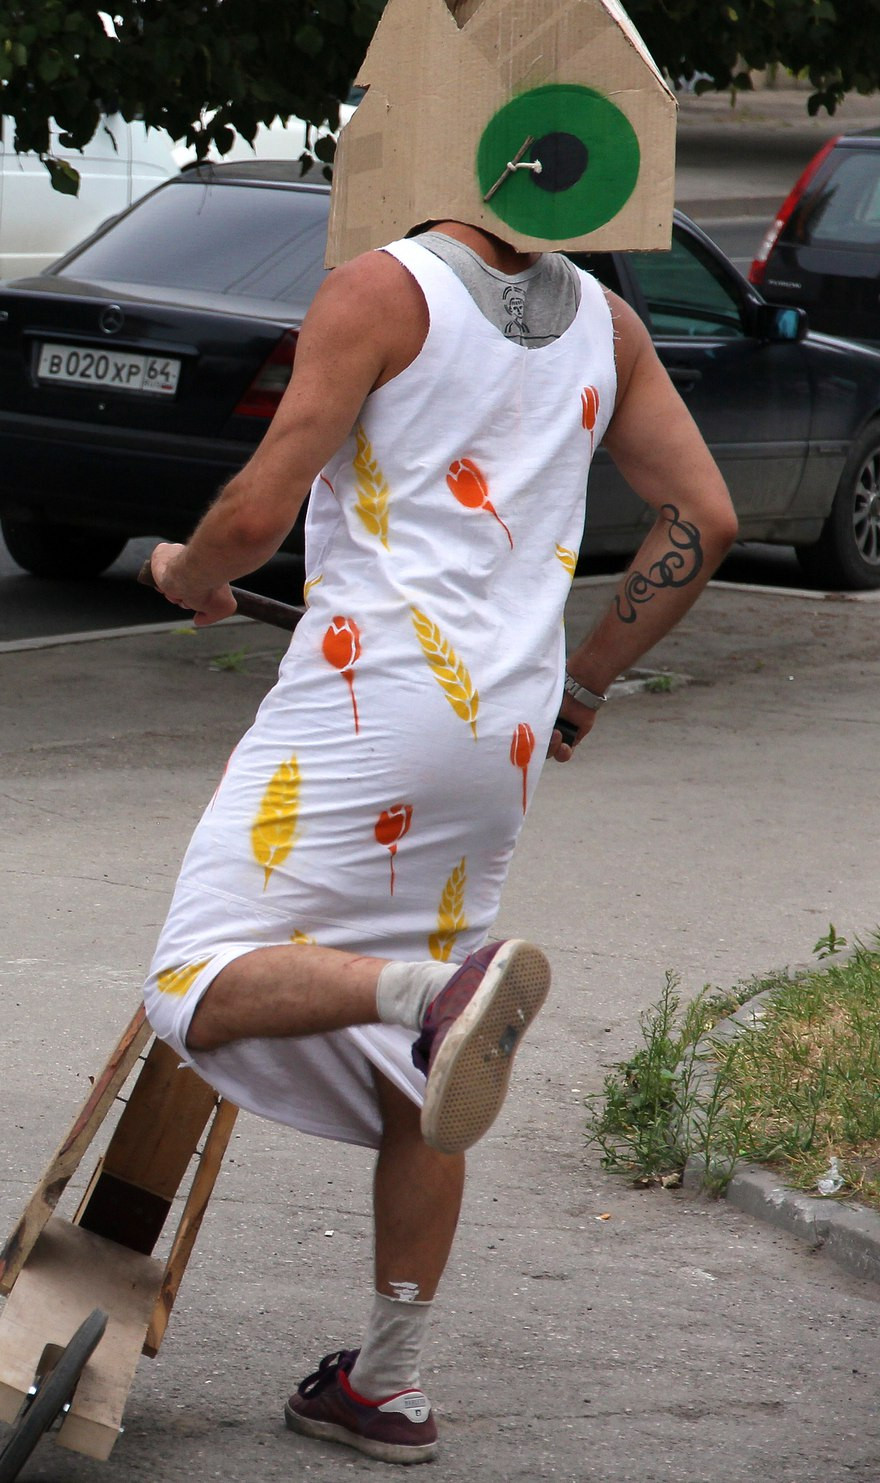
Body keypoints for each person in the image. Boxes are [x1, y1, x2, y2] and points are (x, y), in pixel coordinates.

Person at [140, 210, 736, 1462]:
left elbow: (255, 515)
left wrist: (184, 571)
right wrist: (585, 684)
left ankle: (423, 990)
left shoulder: (377, 290)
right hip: (503, 732)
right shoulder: (607, 323)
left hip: (368, 704)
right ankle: (385, 1385)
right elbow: (703, 520)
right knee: (435, 1080)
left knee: (191, 981)